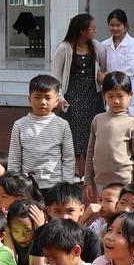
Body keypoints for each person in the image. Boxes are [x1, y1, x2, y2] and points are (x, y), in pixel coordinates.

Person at [53, 13, 105, 178]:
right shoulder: (64, 48)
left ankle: (90, 169)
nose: (95, 31)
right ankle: (76, 169)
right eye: (92, 28)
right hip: (73, 96)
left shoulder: (97, 47)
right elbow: (56, 76)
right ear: (82, 31)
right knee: (73, 132)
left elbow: (103, 67)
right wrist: (60, 98)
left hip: (92, 96)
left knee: (92, 132)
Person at [83, 71, 134, 198]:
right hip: (100, 182)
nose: (116, 101)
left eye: (120, 96)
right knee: (103, 209)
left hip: (125, 182)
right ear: (104, 96)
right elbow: (90, 152)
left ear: (130, 95)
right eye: (110, 96)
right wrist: (88, 180)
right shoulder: (97, 120)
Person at [9, 75, 74, 191]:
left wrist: (67, 186)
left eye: (48, 98)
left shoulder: (63, 125)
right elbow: (14, 159)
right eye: (38, 97)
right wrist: (14, 185)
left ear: (57, 101)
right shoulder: (19, 125)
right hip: (28, 186)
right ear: (30, 99)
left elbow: (68, 158)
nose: (43, 102)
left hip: (55, 186)